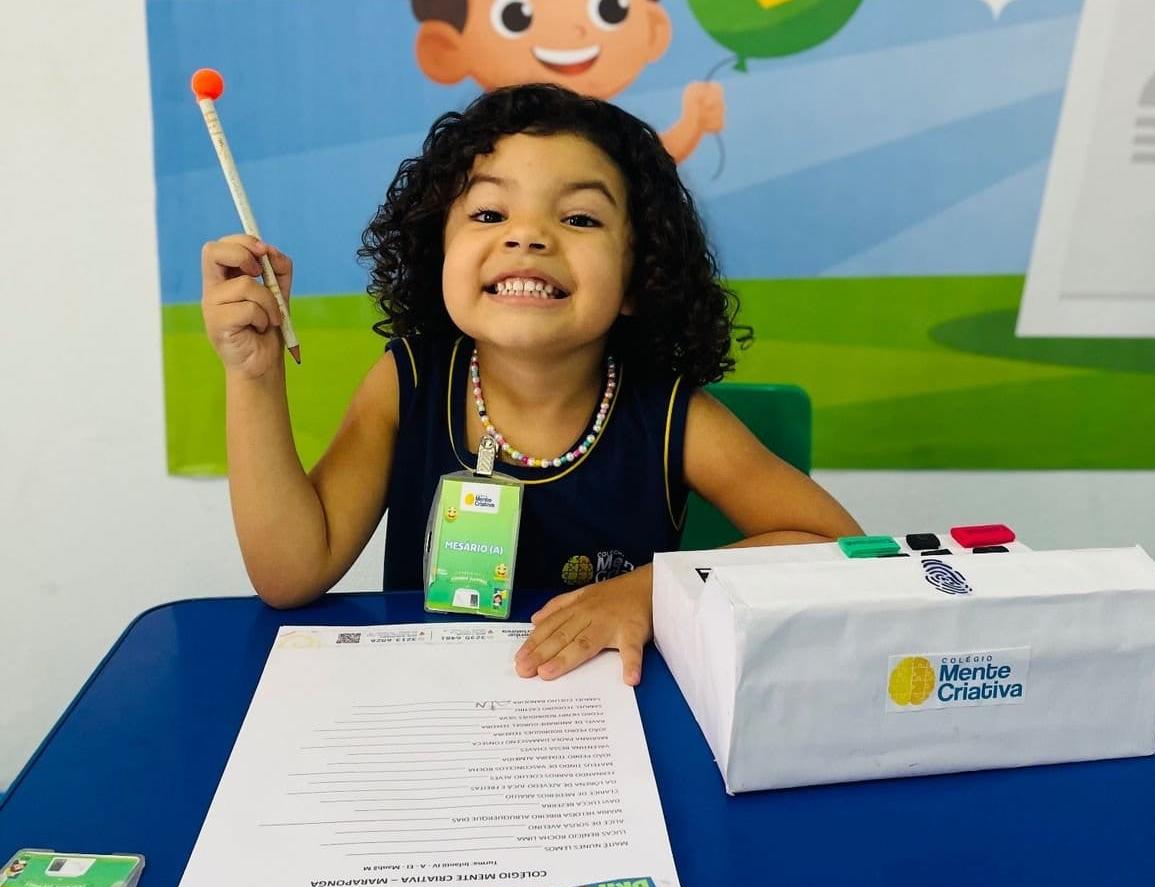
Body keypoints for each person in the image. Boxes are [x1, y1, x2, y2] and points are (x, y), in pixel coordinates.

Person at [200, 84, 861, 686]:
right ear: (440, 253)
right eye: (489, 214)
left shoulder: (672, 418)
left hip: (612, 725)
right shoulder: (407, 381)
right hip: (429, 711)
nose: (527, 237)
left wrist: (653, 591)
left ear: (638, 277)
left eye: (579, 219)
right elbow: (290, 575)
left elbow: (833, 547)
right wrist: (252, 377)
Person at [409, 0, 724, 164]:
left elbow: (650, 168)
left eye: (609, 10)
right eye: (515, 16)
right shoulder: (473, 147)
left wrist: (692, 123)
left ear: (654, 29)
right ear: (445, 50)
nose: (573, 31)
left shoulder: (618, 141)